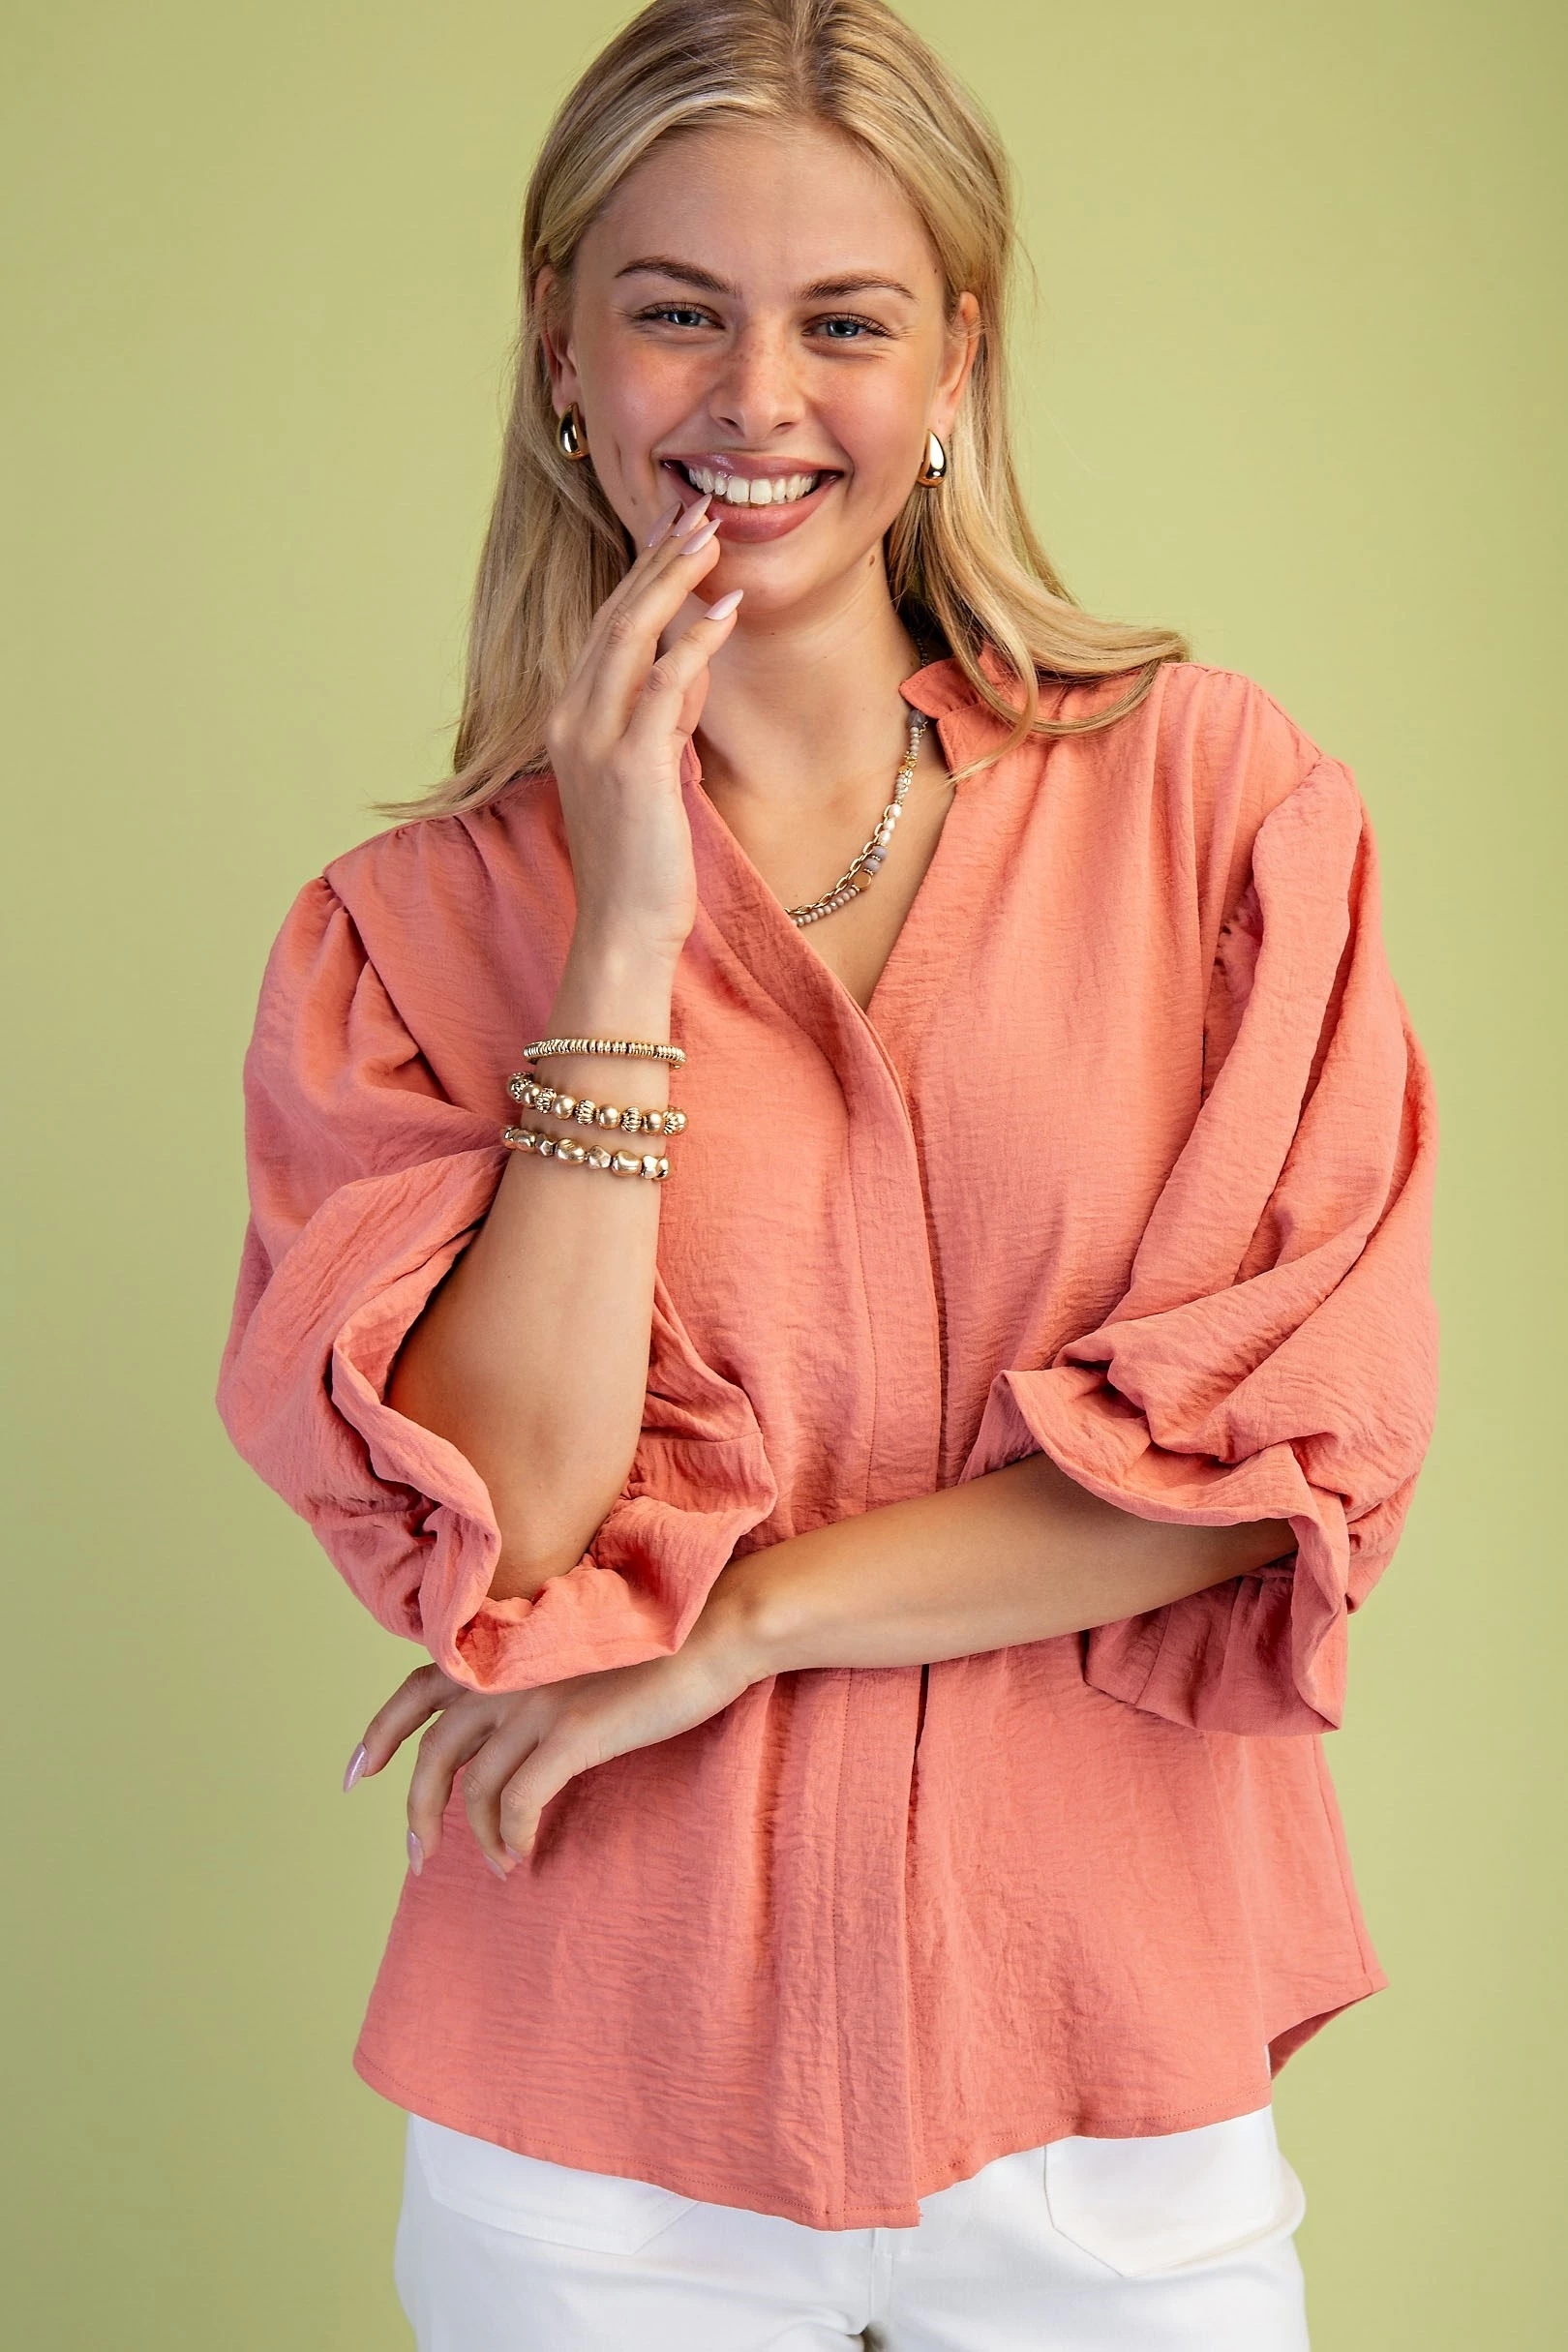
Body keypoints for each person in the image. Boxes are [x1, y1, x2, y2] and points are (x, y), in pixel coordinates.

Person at [215, 1, 1438, 2343]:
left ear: (954, 357)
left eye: (845, 324)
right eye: (677, 312)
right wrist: (621, 926)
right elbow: (512, 1532)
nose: (755, 400)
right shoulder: (398, 943)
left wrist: (734, 1626)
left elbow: (1270, 1463)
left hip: (1115, 2103)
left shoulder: (1220, 813)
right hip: (592, 2121)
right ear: (563, 352)